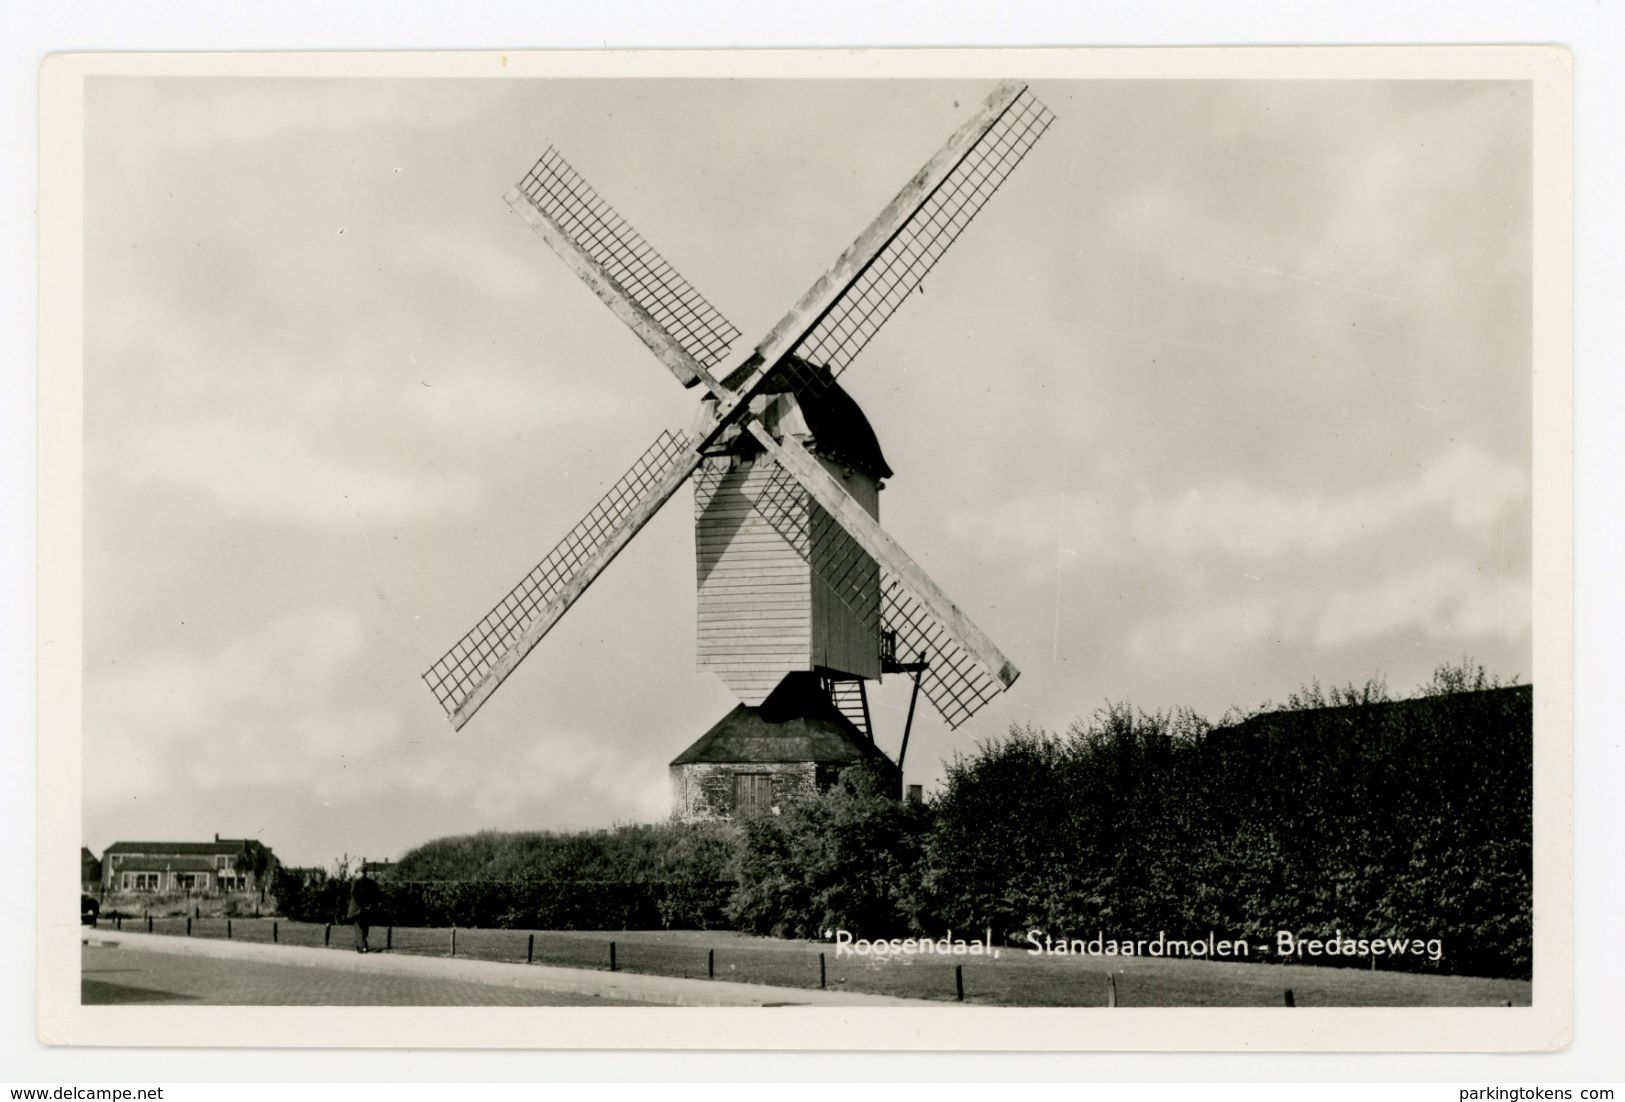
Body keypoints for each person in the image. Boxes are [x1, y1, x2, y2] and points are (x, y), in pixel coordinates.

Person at [347, 871, 380, 953]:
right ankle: (361, 945)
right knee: (365, 928)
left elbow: (354, 895)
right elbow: (376, 895)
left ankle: (362, 946)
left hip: (357, 909)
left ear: (359, 873)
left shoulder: (356, 882)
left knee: (359, 928)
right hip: (367, 908)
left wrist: (362, 904)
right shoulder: (371, 882)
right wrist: (369, 905)